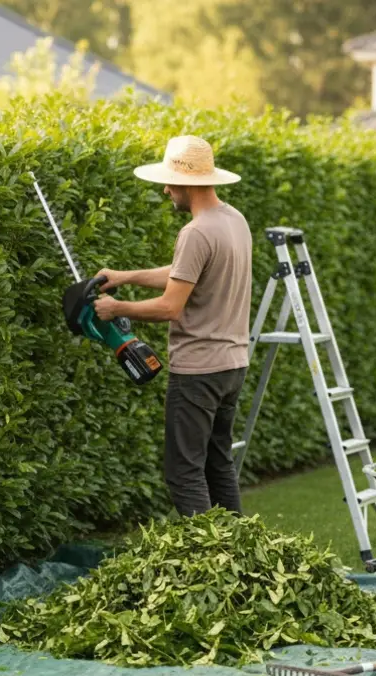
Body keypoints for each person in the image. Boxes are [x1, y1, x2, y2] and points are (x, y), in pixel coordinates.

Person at [93, 135, 253, 517]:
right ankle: (236, 553)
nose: (165, 189)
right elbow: (183, 273)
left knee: (184, 472)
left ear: (188, 184)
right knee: (218, 464)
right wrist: (124, 275)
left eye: (169, 181)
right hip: (233, 365)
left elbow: (171, 307)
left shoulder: (195, 232)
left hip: (198, 371)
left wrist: (116, 308)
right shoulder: (233, 220)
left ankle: (206, 559)